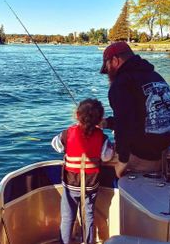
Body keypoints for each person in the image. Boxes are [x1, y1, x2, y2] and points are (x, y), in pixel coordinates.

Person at [100, 41, 170, 178]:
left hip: (149, 158)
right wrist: (107, 123)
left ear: (115, 60)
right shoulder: (156, 77)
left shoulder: (121, 83)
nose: (108, 72)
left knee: (99, 157)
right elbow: (143, 116)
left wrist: (122, 162)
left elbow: (125, 126)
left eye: (107, 67)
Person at [51, 98, 114, 244]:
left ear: (77, 115)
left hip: (70, 185)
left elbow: (56, 145)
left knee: (67, 217)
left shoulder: (67, 133)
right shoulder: (102, 138)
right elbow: (107, 157)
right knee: (89, 216)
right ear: (99, 119)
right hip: (91, 186)